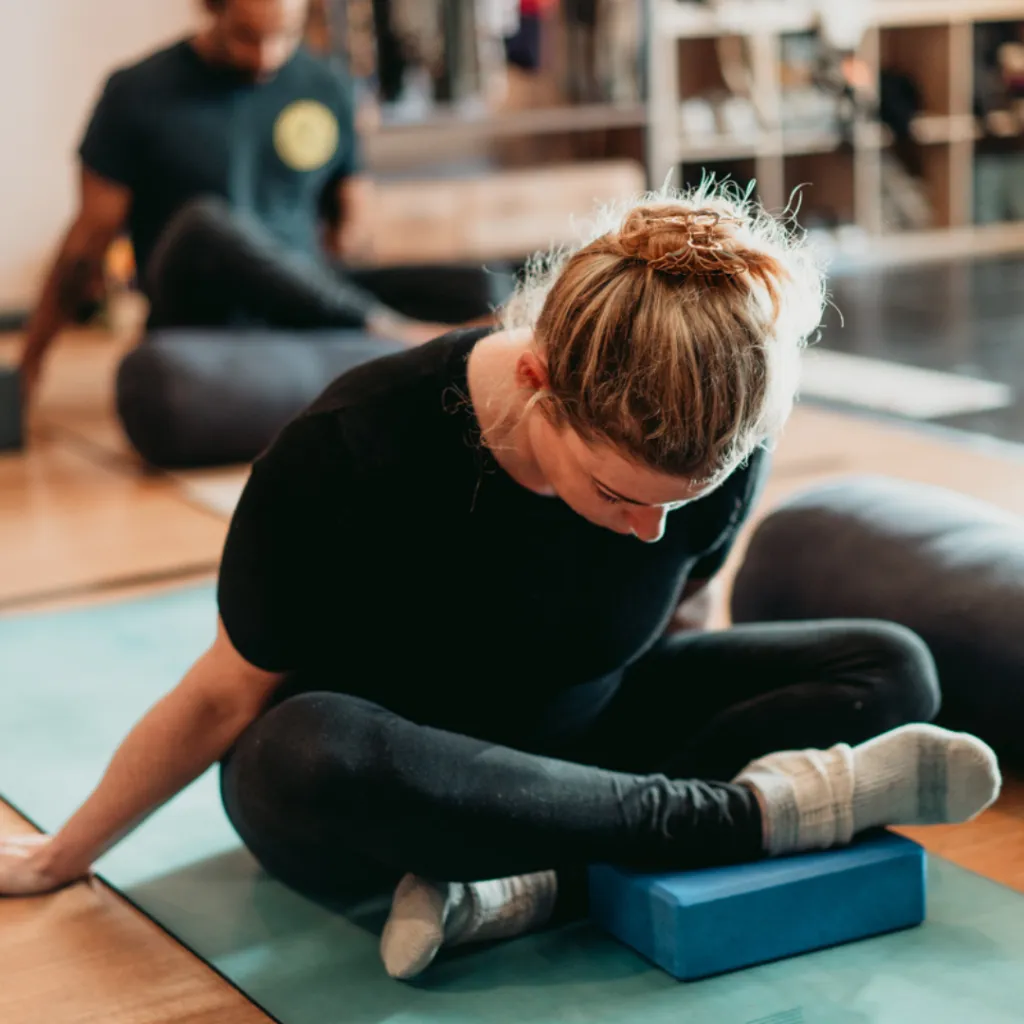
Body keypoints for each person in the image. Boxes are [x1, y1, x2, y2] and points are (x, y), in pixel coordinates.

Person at [0, 185, 1001, 983]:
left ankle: (540, 878)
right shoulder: (347, 452)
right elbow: (223, 691)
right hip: (385, 789)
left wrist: (695, 704)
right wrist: (60, 855)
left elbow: (672, 621)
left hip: (578, 743)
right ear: (536, 383)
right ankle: (729, 820)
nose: (651, 528)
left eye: (682, 498)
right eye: (617, 494)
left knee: (886, 669)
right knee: (305, 747)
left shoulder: (715, 442)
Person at [17, 0, 495, 406]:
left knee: (483, 286)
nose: (266, 56)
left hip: (299, 294)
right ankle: (388, 331)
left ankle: (376, 331)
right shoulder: (136, 92)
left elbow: (349, 218)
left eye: (283, 35)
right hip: (197, 301)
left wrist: (353, 223)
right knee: (204, 222)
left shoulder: (326, 85)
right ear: (212, 8)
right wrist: (32, 357)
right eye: (247, 37)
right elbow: (87, 243)